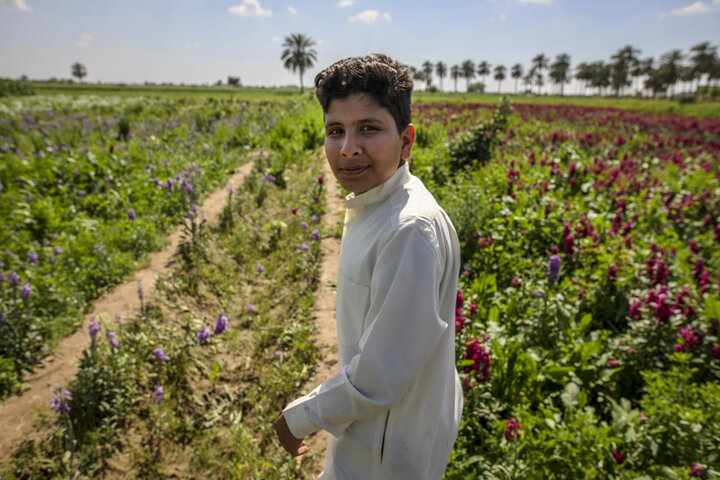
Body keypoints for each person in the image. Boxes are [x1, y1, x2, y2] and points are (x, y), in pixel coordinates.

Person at [274, 53, 463, 479]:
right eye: (335, 131)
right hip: (380, 432)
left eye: (369, 129)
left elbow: (378, 376)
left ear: (407, 141)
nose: (348, 148)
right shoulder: (380, 207)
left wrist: (300, 417)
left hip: (387, 451)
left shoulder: (408, 230)